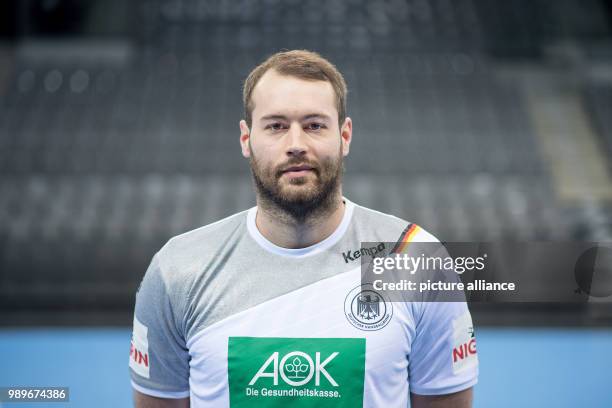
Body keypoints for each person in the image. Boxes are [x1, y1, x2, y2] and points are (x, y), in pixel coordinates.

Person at [129, 49, 478, 407]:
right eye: (276, 126)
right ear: (246, 138)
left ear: (345, 135)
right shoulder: (178, 267)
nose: (296, 145)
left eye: (314, 125)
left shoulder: (416, 257)